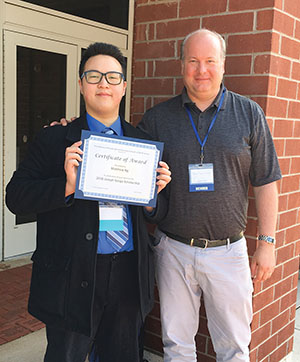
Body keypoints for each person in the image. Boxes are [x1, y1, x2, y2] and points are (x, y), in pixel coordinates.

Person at [5, 42, 171, 362]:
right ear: (81, 84)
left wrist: (155, 199)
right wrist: (66, 186)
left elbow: (161, 211)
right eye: (94, 76)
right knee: (66, 356)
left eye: (112, 77)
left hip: (127, 274)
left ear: (123, 86)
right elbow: (16, 197)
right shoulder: (55, 139)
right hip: (71, 274)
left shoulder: (144, 144)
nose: (103, 83)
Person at [137, 29, 281, 362]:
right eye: (193, 61)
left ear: (223, 65)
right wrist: (74, 131)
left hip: (228, 252)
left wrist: (266, 243)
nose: (202, 70)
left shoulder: (248, 114)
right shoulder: (158, 119)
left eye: (210, 61)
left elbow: (266, 181)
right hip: (172, 249)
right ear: (181, 65)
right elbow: (127, 163)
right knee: (176, 344)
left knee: (233, 345)